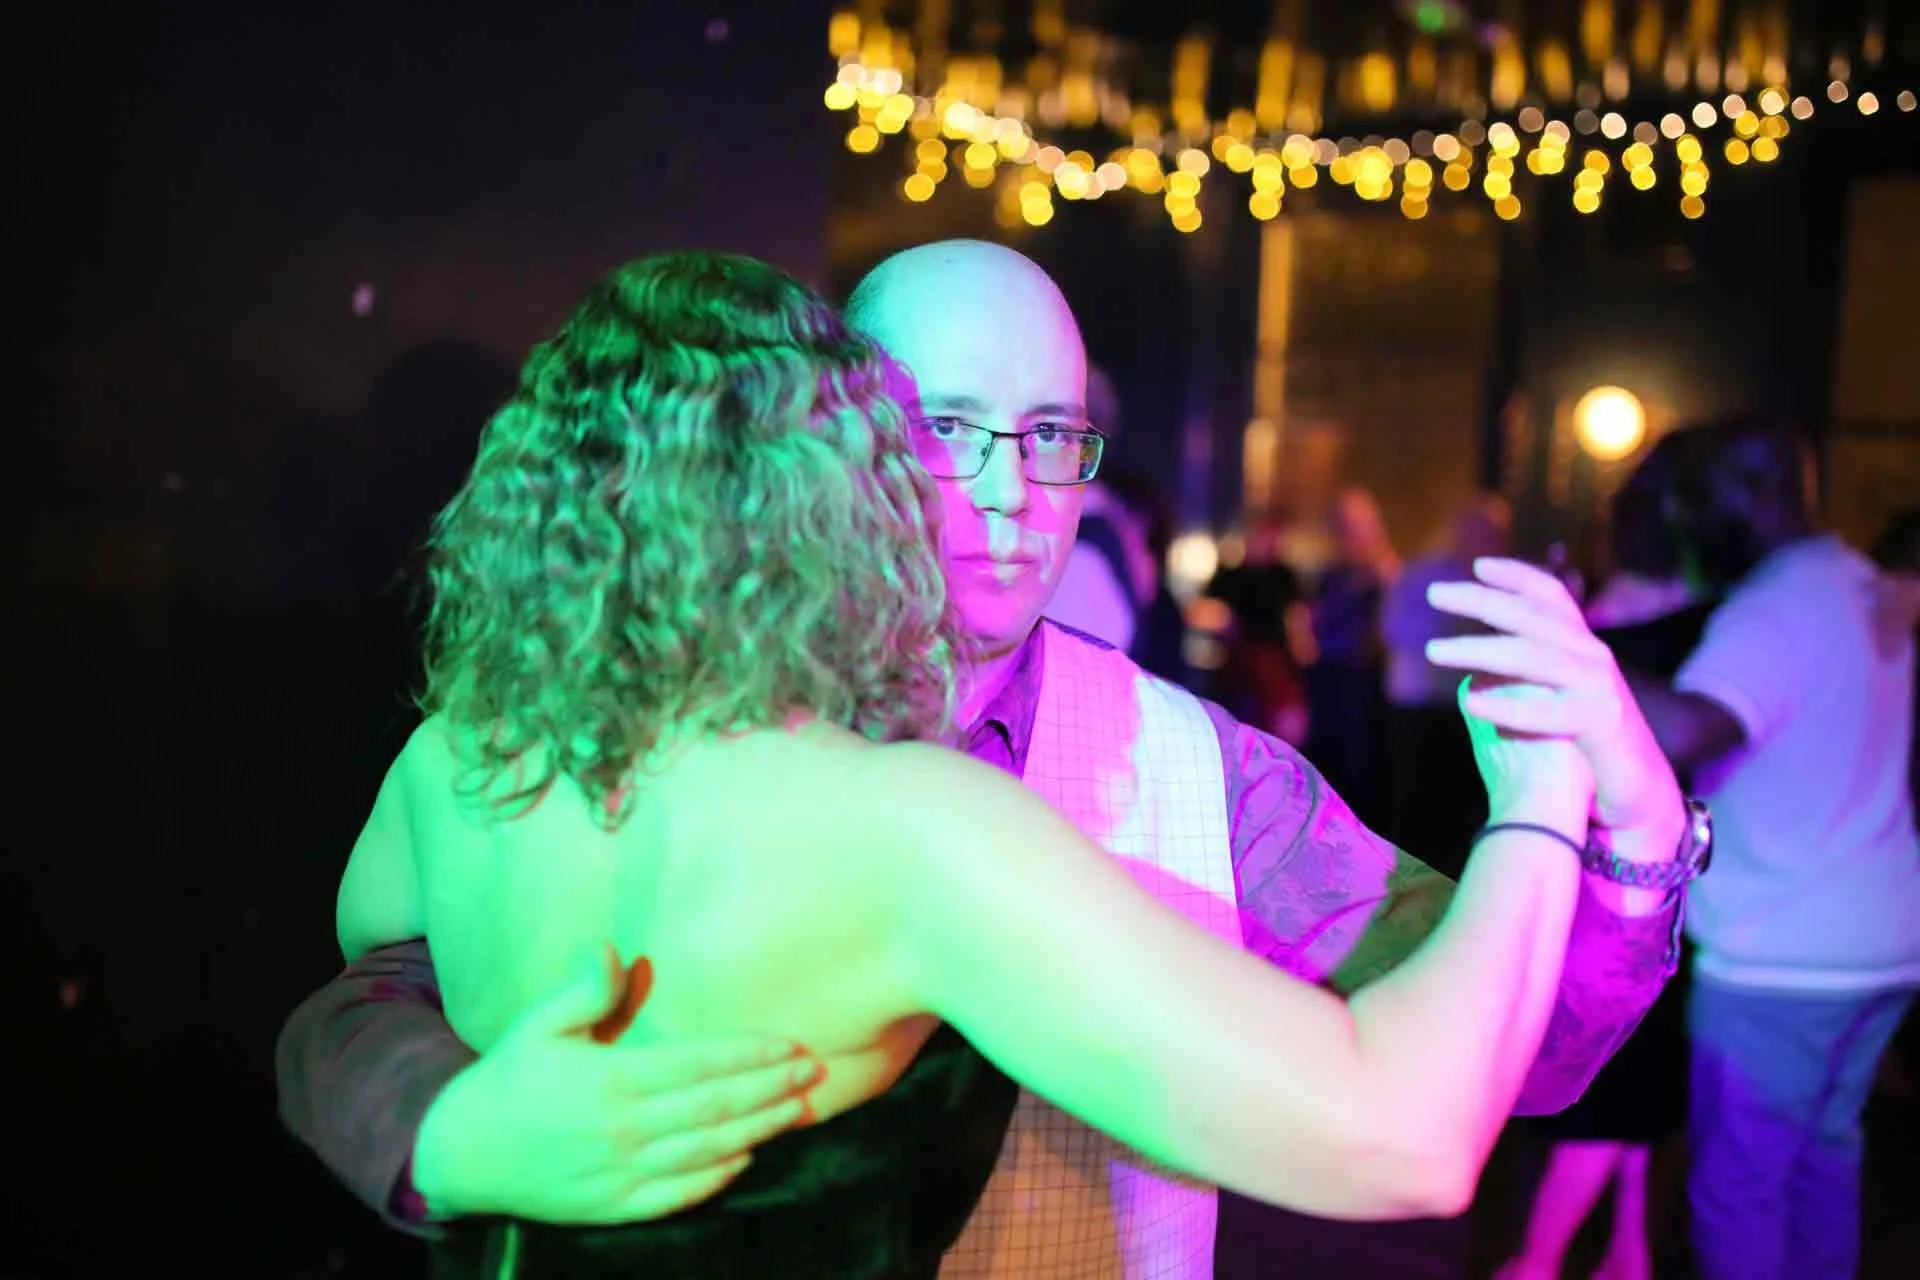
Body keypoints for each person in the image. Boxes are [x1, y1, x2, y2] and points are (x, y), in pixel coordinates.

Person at [279, 241, 1695, 1279]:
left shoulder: (1206, 771)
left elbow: (1523, 1048)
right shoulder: (792, 789)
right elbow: (366, 993)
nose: (1014, 494)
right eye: (949, 429)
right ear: (836, 445)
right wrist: (444, 1132)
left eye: (1054, 436)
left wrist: (1631, 822)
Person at [1628, 419, 1920, 1280]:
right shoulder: (1856, 581)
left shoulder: (1775, 607)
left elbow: (1686, 726)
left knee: (1740, 1189)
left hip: (1783, 957)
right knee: (1825, 1162)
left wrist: (1570, 652)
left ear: (1752, 497)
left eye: (1694, 499)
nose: (1682, 522)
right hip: (1880, 939)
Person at [1497, 436, 1717, 1280]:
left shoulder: (1597, 621)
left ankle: (1549, 1256)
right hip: (1669, 857)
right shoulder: (1708, 619)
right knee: (1632, 1074)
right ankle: (1608, 1250)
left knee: (1618, 1075)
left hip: (1616, 856)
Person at [1379, 493, 1513, 880]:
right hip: (1420, 714)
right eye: (1482, 531)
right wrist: (1455, 630)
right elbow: (1397, 631)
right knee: (1414, 815)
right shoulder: (1422, 575)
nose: (1490, 539)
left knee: (1459, 819)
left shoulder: (1499, 584)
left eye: (1495, 533)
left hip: (1469, 716)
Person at [1302, 487, 1399, 825]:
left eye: (1351, 527)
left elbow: (1382, 636)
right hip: (1329, 680)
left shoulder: (1384, 575)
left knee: (1358, 777)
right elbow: (1315, 622)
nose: (1344, 537)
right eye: (1339, 528)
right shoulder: (1332, 575)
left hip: (1361, 686)